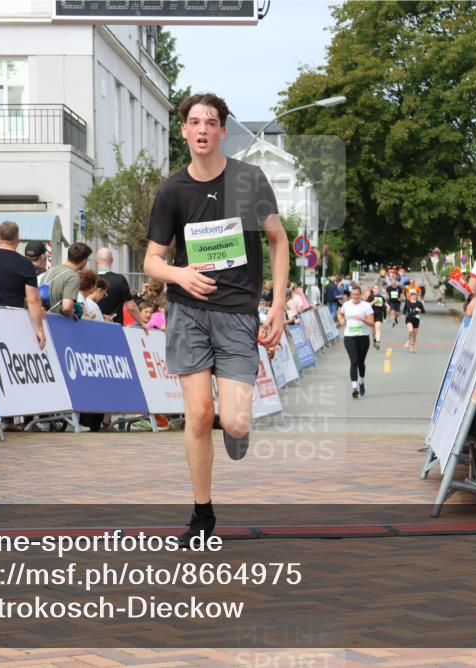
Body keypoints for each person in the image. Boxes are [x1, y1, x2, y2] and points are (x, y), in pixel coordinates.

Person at [143, 92, 288, 545]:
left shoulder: (250, 179)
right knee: (199, 415)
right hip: (188, 313)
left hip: (237, 315)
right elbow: (152, 261)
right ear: (183, 130)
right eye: (194, 121)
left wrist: (277, 306)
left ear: (223, 131)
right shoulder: (172, 191)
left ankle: (237, 429)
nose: (202, 129)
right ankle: (202, 514)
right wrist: (181, 274)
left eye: (211, 122)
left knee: (237, 421)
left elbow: (279, 242)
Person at [0, 220, 46, 349]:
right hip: (11, 322)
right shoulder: (25, 264)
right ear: (18, 238)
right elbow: (33, 300)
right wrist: (39, 329)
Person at [337, 284, 374, 398]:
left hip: (363, 337)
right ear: (351, 295)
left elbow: (372, 323)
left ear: (361, 295)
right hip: (349, 337)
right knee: (354, 361)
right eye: (353, 294)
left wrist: (362, 319)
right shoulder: (346, 305)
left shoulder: (366, 306)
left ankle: (361, 381)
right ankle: (354, 387)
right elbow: (340, 312)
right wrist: (341, 319)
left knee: (361, 362)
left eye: (357, 294)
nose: (355, 296)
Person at [95, 247, 146, 330]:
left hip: (92, 325)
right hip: (115, 327)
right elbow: (131, 307)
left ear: (96, 261)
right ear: (112, 260)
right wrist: (142, 323)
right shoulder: (120, 279)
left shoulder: (90, 280)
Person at [39, 241, 91, 318]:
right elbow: (67, 308)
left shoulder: (50, 271)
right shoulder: (73, 276)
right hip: (58, 323)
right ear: (84, 260)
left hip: (43, 320)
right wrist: (74, 313)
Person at [402, 289, 426, 353]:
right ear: (410, 295)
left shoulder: (419, 303)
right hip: (409, 318)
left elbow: (424, 311)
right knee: (410, 330)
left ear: (416, 295)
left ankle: (412, 347)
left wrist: (420, 310)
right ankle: (408, 341)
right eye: (412, 295)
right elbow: (404, 310)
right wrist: (403, 314)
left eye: (414, 295)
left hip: (416, 319)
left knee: (414, 335)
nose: (413, 296)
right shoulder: (407, 302)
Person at [366, 283, 385, 350]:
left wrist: (386, 307)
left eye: (377, 288)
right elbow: (368, 306)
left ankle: (378, 342)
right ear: (373, 290)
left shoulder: (382, 297)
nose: (376, 289)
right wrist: (374, 301)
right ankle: (374, 339)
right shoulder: (370, 297)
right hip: (372, 315)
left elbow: (383, 306)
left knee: (378, 328)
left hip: (379, 314)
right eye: (375, 288)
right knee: (373, 331)